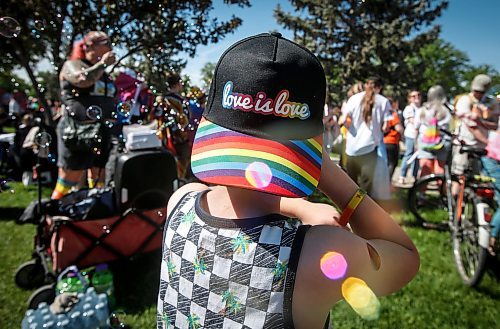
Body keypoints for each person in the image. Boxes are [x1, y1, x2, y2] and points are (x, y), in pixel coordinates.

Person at [157, 33, 419, 329]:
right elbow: (405, 257)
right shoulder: (322, 252)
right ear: (312, 148)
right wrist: (334, 179)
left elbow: (240, 203)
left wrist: (299, 208)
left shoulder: (181, 201)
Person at [51, 31, 116, 200]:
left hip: (99, 130)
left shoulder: (104, 73)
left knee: (98, 177)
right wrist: (102, 64)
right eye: (106, 42)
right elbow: (83, 80)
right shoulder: (72, 65)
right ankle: (51, 218)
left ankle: (90, 215)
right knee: (69, 179)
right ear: (89, 46)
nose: (110, 46)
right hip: (75, 131)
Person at [338, 77, 393, 199]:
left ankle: (347, 211)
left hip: (352, 147)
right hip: (369, 147)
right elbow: (386, 127)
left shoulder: (354, 98)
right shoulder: (384, 102)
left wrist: (352, 128)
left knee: (351, 183)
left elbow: (342, 120)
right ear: (379, 87)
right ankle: (361, 212)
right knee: (365, 186)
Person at [452, 74, 500, 195]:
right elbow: (471, 126)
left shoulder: (491, 102)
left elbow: (494, 124)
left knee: (477, 177)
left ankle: (473, 204)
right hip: (465, 144)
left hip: (481, 147)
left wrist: (481, 121)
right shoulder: (465, 100)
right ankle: (454, 203)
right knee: (459, 175)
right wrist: (488, 142)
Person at [414, 85, 451, 178]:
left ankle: (421, 191)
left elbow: (416, 128)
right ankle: (441, 190)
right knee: (440, 169)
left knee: (425, 169)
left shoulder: (422, 110)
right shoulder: (447, 110)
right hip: (442, 141)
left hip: (425, 141)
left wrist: (415, 143)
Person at [398, 89, 422, 185]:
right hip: (411, 135)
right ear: (410, 99)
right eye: (413, 96)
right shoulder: (409, 109)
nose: (416, 97)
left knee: (417, 156)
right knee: (409, 154)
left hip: (420, 136)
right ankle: (402, 175)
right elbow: (413, 121)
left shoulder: (421, 109)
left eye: (418, 95)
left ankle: (414, 176)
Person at [384, 97, 404, 182]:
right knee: (392, 163)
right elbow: (398, 128)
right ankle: (387, 182)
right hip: (392, 141)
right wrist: (403, 134)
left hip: (382, 142)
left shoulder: (381, 114)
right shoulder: (392, 115)